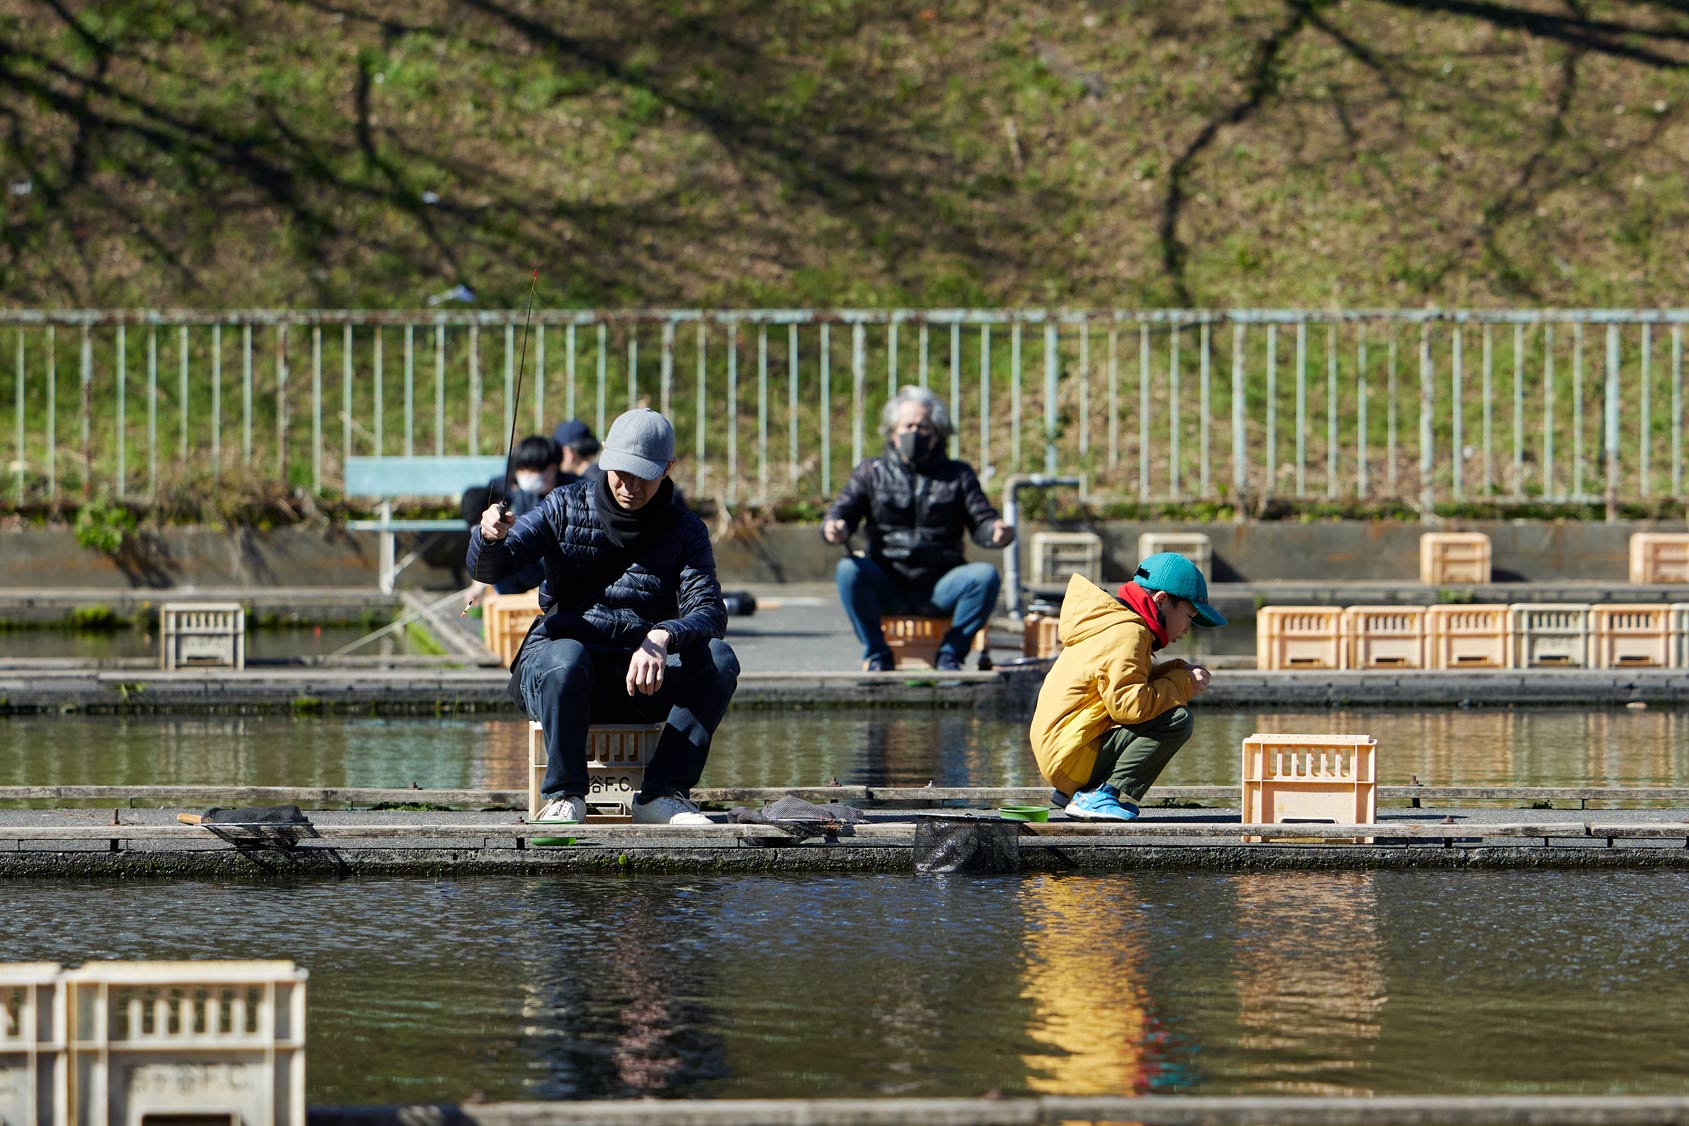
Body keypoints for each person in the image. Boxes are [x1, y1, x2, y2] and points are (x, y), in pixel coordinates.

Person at [469, 407, 738, 826]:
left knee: (719, 659)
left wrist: (664, 635)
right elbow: (491, 569)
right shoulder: (562, 505)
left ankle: (663, 793)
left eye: (644, 475)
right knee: (567, 656)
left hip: (638, 680)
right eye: (621, 473)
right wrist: (487, 536)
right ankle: (564, 796)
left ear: (667, 468)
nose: (630, 486)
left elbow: (709, 610)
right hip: (558, 674)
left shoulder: (686, 530)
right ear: (606, 459)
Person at [821, 385, 1013, 672]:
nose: (915, 432)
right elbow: (841, 514)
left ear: (937, 434)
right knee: (849, 570)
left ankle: (950, 655)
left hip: (941, 584)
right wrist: (834, 528)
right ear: (892, 432)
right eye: (908, 425)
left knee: (984, 576)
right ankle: (877, 654)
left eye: (923, 426)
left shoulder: (958, 474)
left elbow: (982, 521)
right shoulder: (870, 472)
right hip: (888, 581)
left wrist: (996, 532)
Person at [1027, 554, 1226, 821]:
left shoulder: (1115, 623)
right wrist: (1184, 683)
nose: (1188, 629)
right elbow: (1130, 707)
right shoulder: (1129, 633)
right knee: (1177, 720)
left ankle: (1078, 792)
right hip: (1070, 755)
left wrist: (1176, 671)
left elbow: (1126, 685)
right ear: (1162, 600)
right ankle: (1098, 794)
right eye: (1189, 616)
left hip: (1062, 749)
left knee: (1165, 709)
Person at [459, 435, 563, 597]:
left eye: (533, 470)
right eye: (522, 470)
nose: (527, 476)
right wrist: (479, 583)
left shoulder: (569, 494)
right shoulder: (516, 492)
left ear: (552, 467)